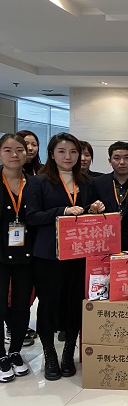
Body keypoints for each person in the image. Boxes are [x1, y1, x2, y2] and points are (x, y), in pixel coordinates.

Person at [26, 133, 105, 381]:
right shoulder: (39, 182)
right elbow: (32, 217)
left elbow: (87, 213)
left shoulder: (87, 181)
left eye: (73, 152)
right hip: (49, 255)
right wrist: (62, 211)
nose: (68, 157)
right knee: (49, 304)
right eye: (62, 151)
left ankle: (69, 353)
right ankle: (50, 354)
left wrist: (95, 209)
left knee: (74, 303)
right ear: (52, 154)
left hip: (80, 253)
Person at [0, 134, 34, 383]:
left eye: (19, 149)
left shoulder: (34, 183)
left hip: (27, 254)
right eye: (7, 150)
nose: (14, 154)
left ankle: (15, 351)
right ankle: (1, 355)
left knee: (22, 306)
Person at [94, 142, 128, 251]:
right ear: (110, 161)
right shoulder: (98, 183)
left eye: (126, 158)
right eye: (117, 158)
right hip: (104, 242)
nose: (122, 162)